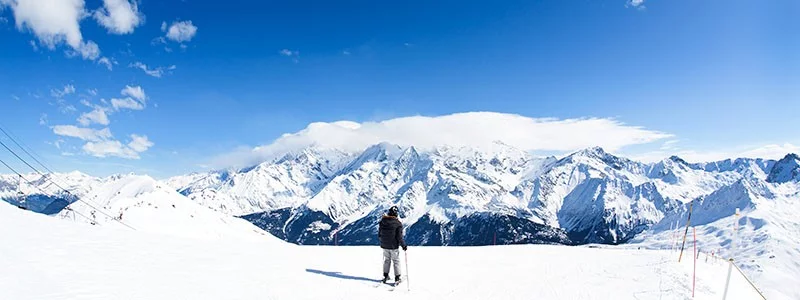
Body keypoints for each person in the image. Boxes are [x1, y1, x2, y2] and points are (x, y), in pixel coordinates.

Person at [378, 205, 407, 284]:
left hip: (384, 245)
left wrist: (382, 242)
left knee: (387, 260)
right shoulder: (398, 224)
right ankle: (397, 278)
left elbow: (379, 234)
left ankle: (385, 276)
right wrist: (403, 245)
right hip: (393, 246)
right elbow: (399, 237)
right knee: (396, 261)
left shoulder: (382, 222)